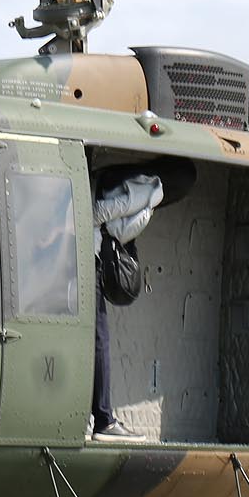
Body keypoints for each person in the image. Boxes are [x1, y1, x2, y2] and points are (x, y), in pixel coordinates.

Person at [88, 169, 164, 441]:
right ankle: (103, 420)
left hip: (82, 257)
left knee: (95, 339)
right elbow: (94, 214)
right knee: (99, 340)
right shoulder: (150, 193)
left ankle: (98, 418)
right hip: (86, 259)